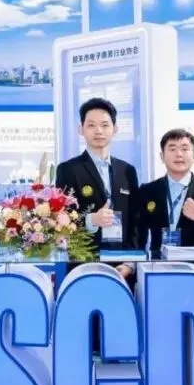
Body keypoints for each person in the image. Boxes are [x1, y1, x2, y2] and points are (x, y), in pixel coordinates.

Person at [55, 97, 141, 277]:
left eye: (104, 125)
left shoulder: (127, 170)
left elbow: (136, 221)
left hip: (122, 265)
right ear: (81, 129)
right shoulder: (68, 169)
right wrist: (91, 220)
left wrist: (130, 263)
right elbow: (61, 219)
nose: (99, 131)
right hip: (83, 263)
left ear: (115, 129)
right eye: (91, 125)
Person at [137, 129, 194, 260]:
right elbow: (139, 235)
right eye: (172, 149)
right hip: (158, 267)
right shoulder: (148, 190)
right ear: (162, 156)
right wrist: (133, 264)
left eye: (184, 149)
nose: (178, 154)